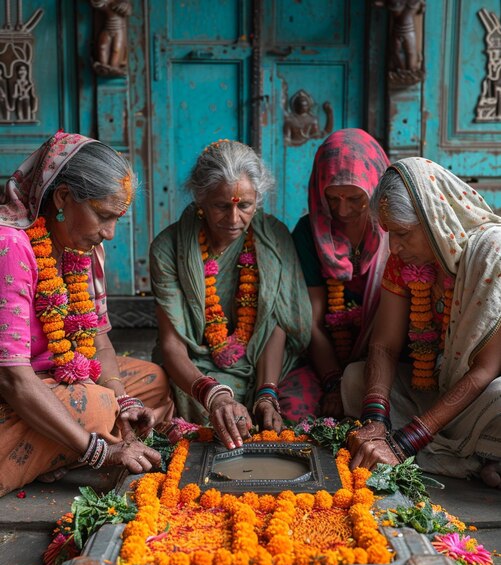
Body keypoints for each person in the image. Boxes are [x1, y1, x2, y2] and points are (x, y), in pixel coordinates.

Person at [0, 130, 175, 497]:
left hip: (60, 378)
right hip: (14, 390)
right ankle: (78, 445)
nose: (110, 234)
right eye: (103, 216)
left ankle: (67, 446)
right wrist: (101, 452)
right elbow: (12, 379)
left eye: (117, 220)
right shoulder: (10, 245)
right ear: (63, 197)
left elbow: (98, 340)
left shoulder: (83, 247)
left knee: (153, 383)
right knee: (97, 407)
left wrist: (124, 402)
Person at [343, 157, 501, 489]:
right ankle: (480, 461)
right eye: (389, 234)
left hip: (484, 396)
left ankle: (452, 455)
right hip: (435, 389)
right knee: (355, 379)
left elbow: (485, 370)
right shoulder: (402, 262)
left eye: (402, 234)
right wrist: (375, 422)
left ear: (435, 221)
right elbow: (384, 345)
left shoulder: (492, 255)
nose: (393, 247)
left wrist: (403, 444)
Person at [150, 139, 311, 450]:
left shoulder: (273, 239)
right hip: (196, 368)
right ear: (200, 199)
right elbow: (171, 344)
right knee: (193, 423)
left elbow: (274, 326)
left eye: (244, 205)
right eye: (222, 206)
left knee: (300, 416)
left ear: (258, 200)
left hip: (266, 365)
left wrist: (267, 391)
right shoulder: (168, 248)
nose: (234, 219)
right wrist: (215, 395)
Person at [284, 128, 390, 420]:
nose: (343, 210)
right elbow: (313, 323)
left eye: (355, 198)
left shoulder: (394, 229)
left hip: (385, 359)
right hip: (324, 360)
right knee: (296, 412)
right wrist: (333, 382)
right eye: (333, 197)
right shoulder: (309, 233)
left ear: (375, 187)